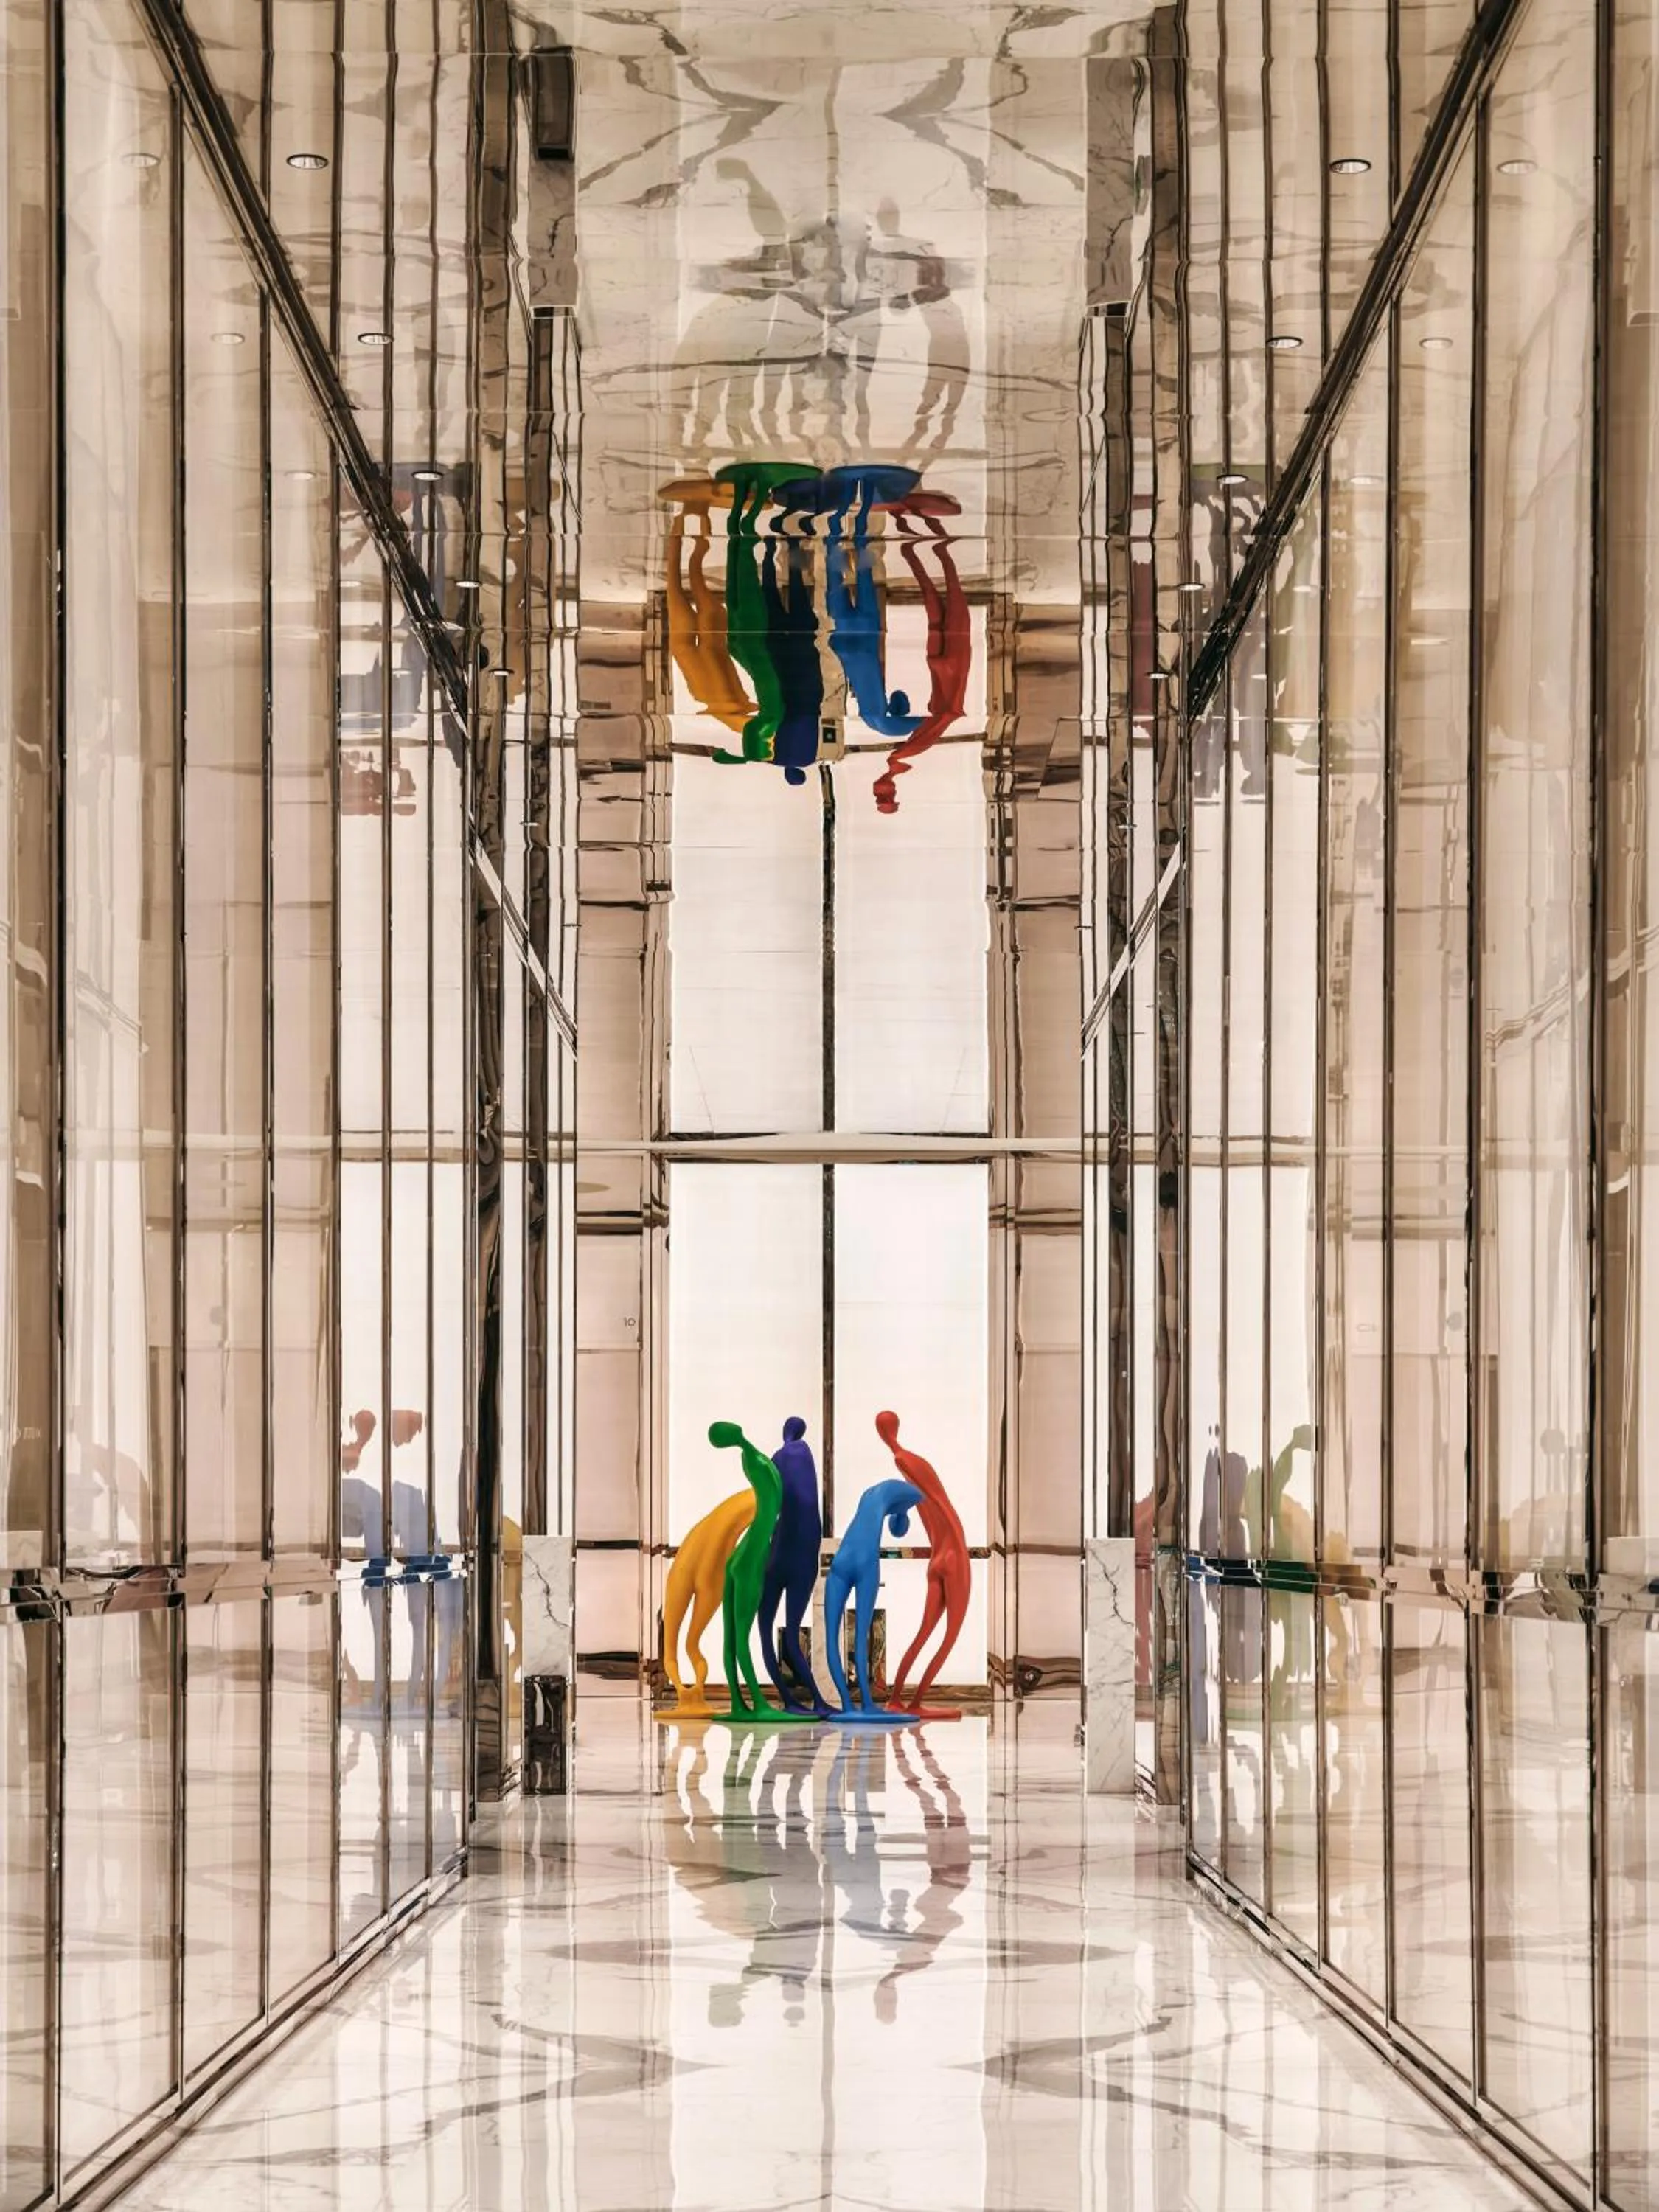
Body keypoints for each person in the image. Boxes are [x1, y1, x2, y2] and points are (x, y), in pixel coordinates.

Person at [877, 1410, 970, 1718]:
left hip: (937, 1558)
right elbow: (941, 1504)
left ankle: (897, 1701)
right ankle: (914, 1702)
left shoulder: (907, 1475)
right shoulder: (909, 1461)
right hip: (954, 1555)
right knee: (948, 1636)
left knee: (924, 1633)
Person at [824, 1476, 922, 1714]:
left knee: (831, 1637)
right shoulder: (902, 1497)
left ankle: (847, 1705)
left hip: (841, 1561)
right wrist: (903, 1515)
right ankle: (867, 1703)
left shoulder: (869, 1494)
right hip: (867, 1564)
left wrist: (901, 1512)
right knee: (860, 1638)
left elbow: (911, 1496)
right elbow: (920, 1495)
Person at [758, 1416, 830, 1713]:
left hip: (777, 1555)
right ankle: (818, 1700)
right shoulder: (804, 1453)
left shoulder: (775, 1459)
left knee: (764, 1630)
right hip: (801, 1557)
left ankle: (789, 1699)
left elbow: (767, 1505)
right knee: (791, 1634)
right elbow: (808, 1509)